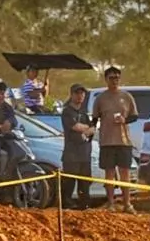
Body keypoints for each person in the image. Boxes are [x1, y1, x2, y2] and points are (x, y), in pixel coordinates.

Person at [90, 65, 138, 213]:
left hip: (124, 141)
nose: (114, 80)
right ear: (106, 79)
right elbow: (94, 118)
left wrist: (124, 120)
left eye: (117, 77)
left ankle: (127, 203)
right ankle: (110, 203)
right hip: (107, 141)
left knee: (125, 173)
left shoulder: (126, 96)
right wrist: (90, 132)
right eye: (111, 78)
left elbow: (134, 116)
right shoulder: (101, 98)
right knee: (109, 174)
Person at [59, 83, 95, 209]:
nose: (80, 96)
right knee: (69, 182)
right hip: (71, 154)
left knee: (85, 183)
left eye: (82, 93)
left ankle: (84, 206)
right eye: (77, 93)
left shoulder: (84, 113)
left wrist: (85, 130)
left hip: (85, 154)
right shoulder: (67, 112)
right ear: (72, 95)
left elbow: (93, 129)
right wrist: (86, 129)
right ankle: (66, 206)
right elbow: (75, 126)